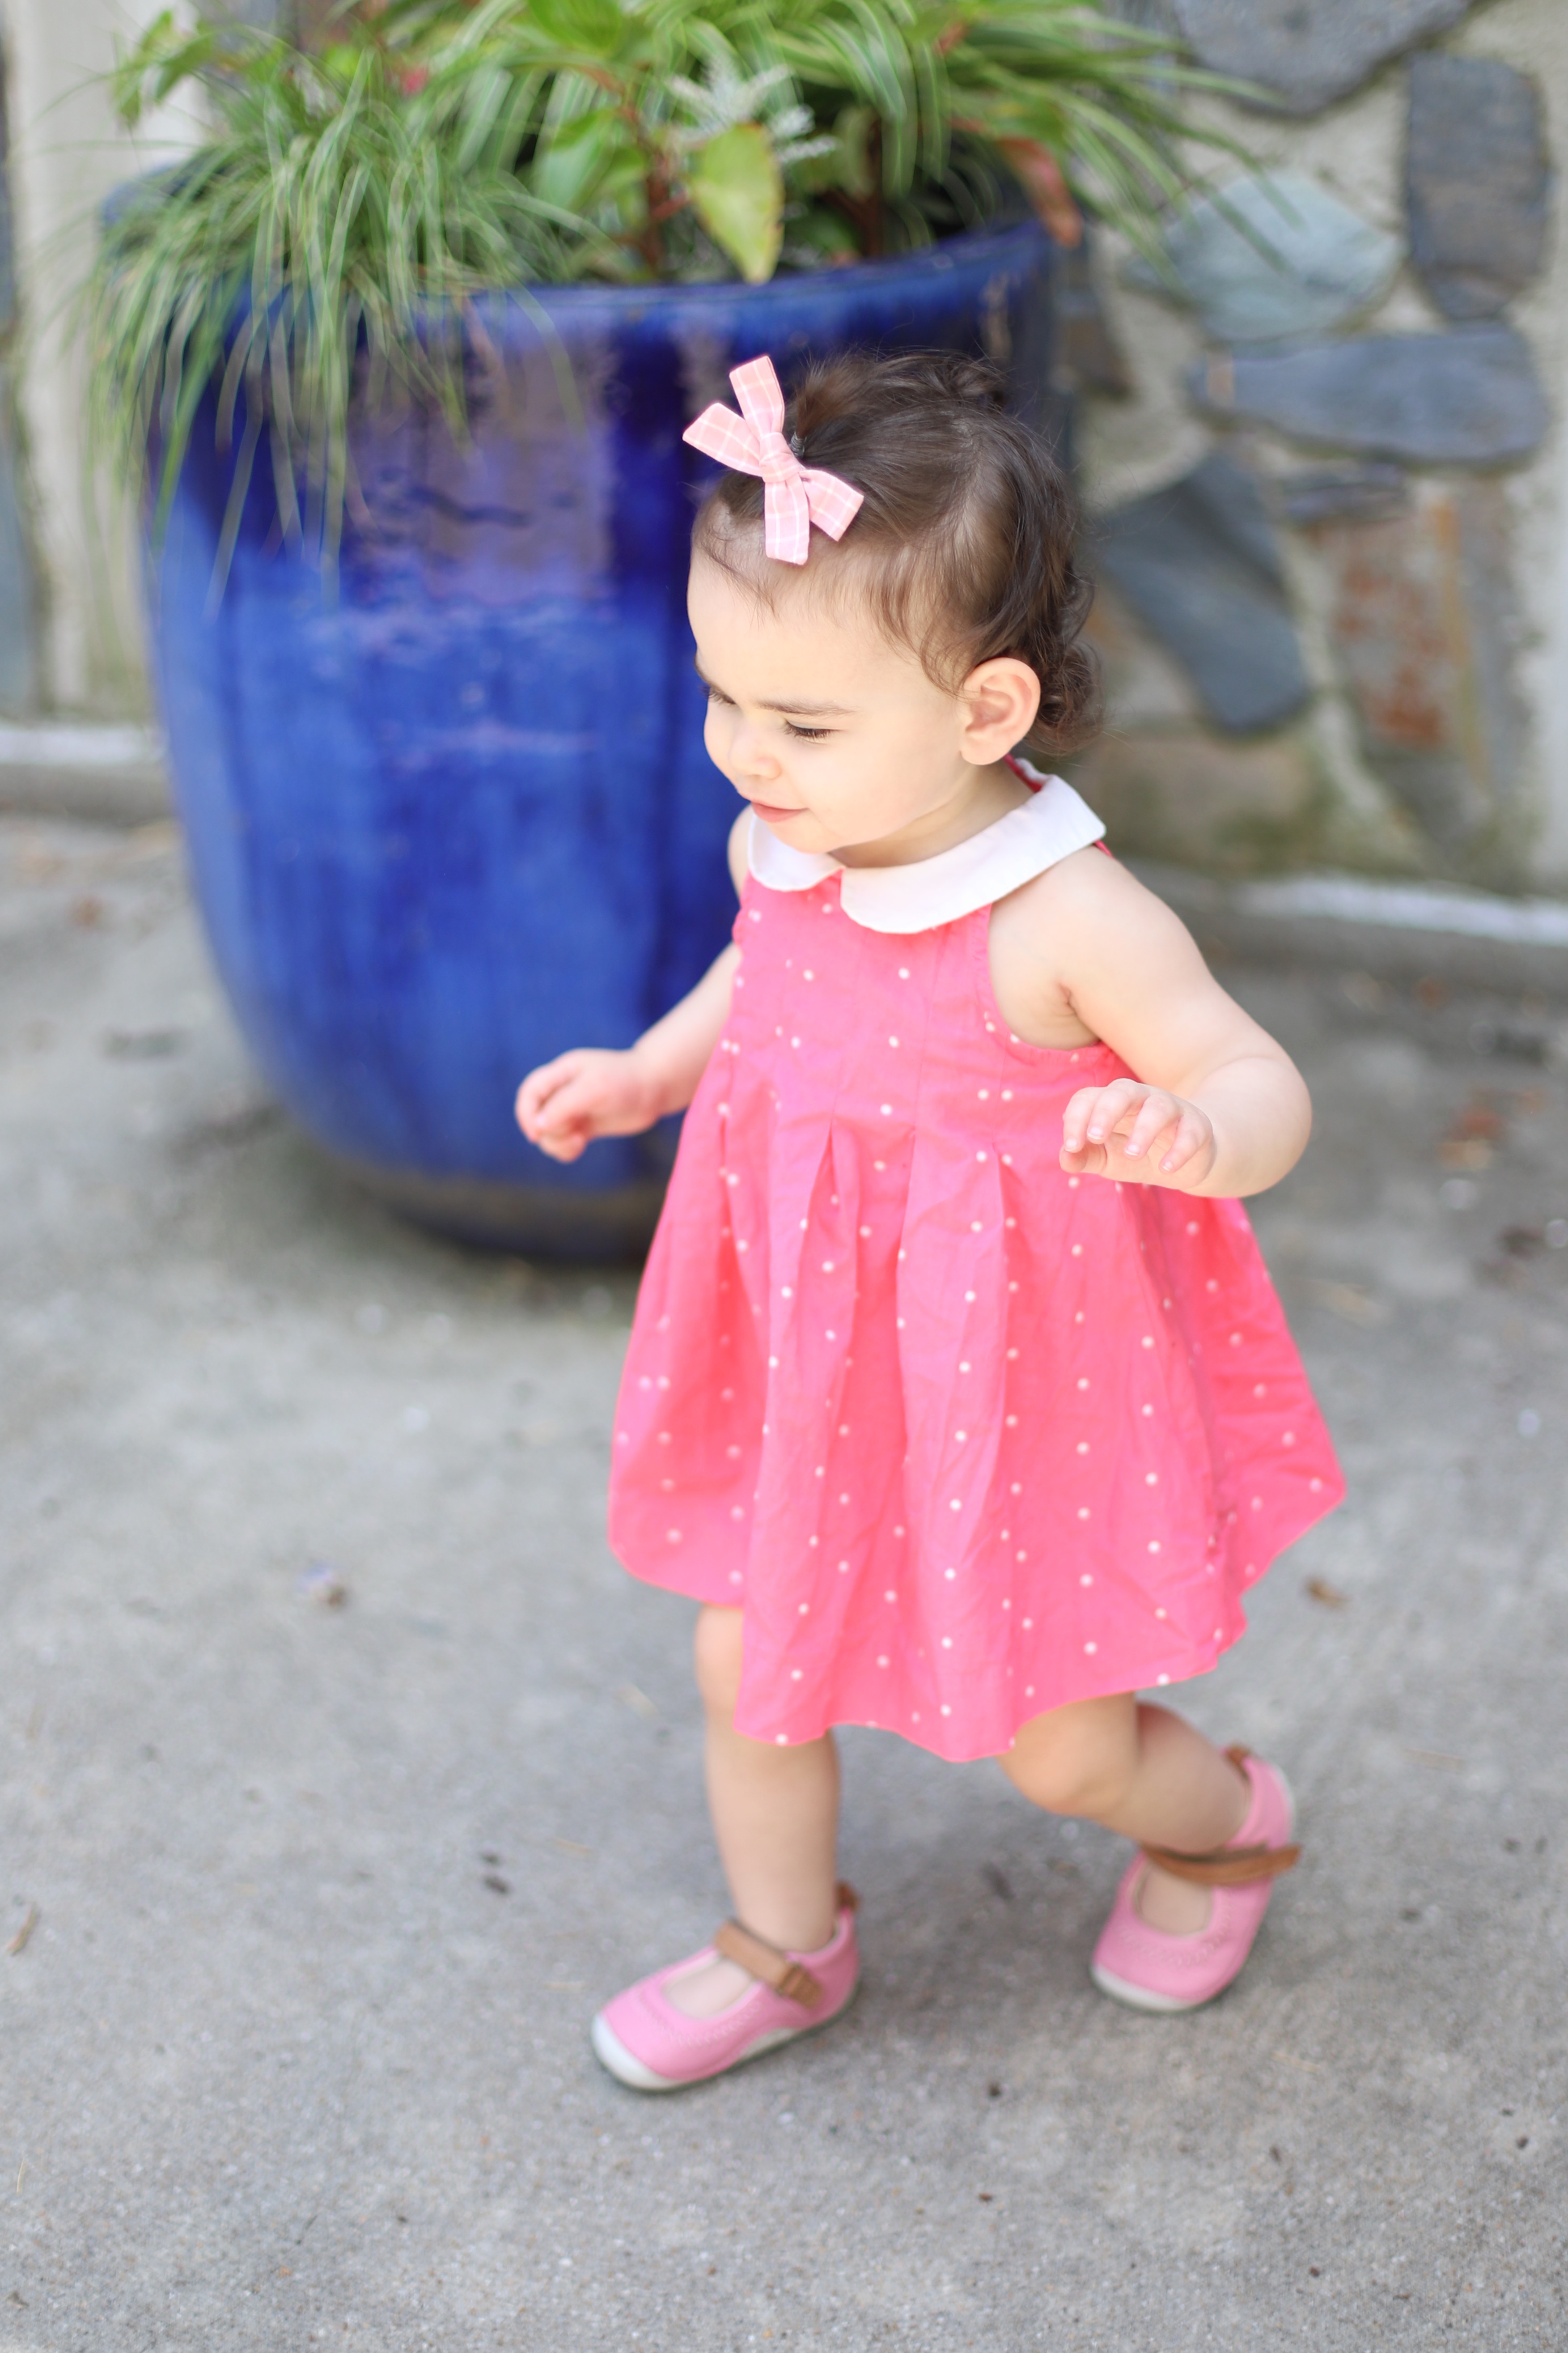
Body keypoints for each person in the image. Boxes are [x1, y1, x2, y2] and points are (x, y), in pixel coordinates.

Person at [515, 350, 1343, 2092]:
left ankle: (1221, 1827)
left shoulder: (1062, 916)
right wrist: (651, 1073)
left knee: (1064, 1747)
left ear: (984, 711)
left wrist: (1192, 1129)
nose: (749, 754)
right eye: (723, 697)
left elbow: (1255, 1076)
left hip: (1017, 1390)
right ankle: (784, 1941)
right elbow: (760, 977)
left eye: (802, 723)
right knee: (748, 1655)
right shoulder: (789, 842)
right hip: (817, 1359)